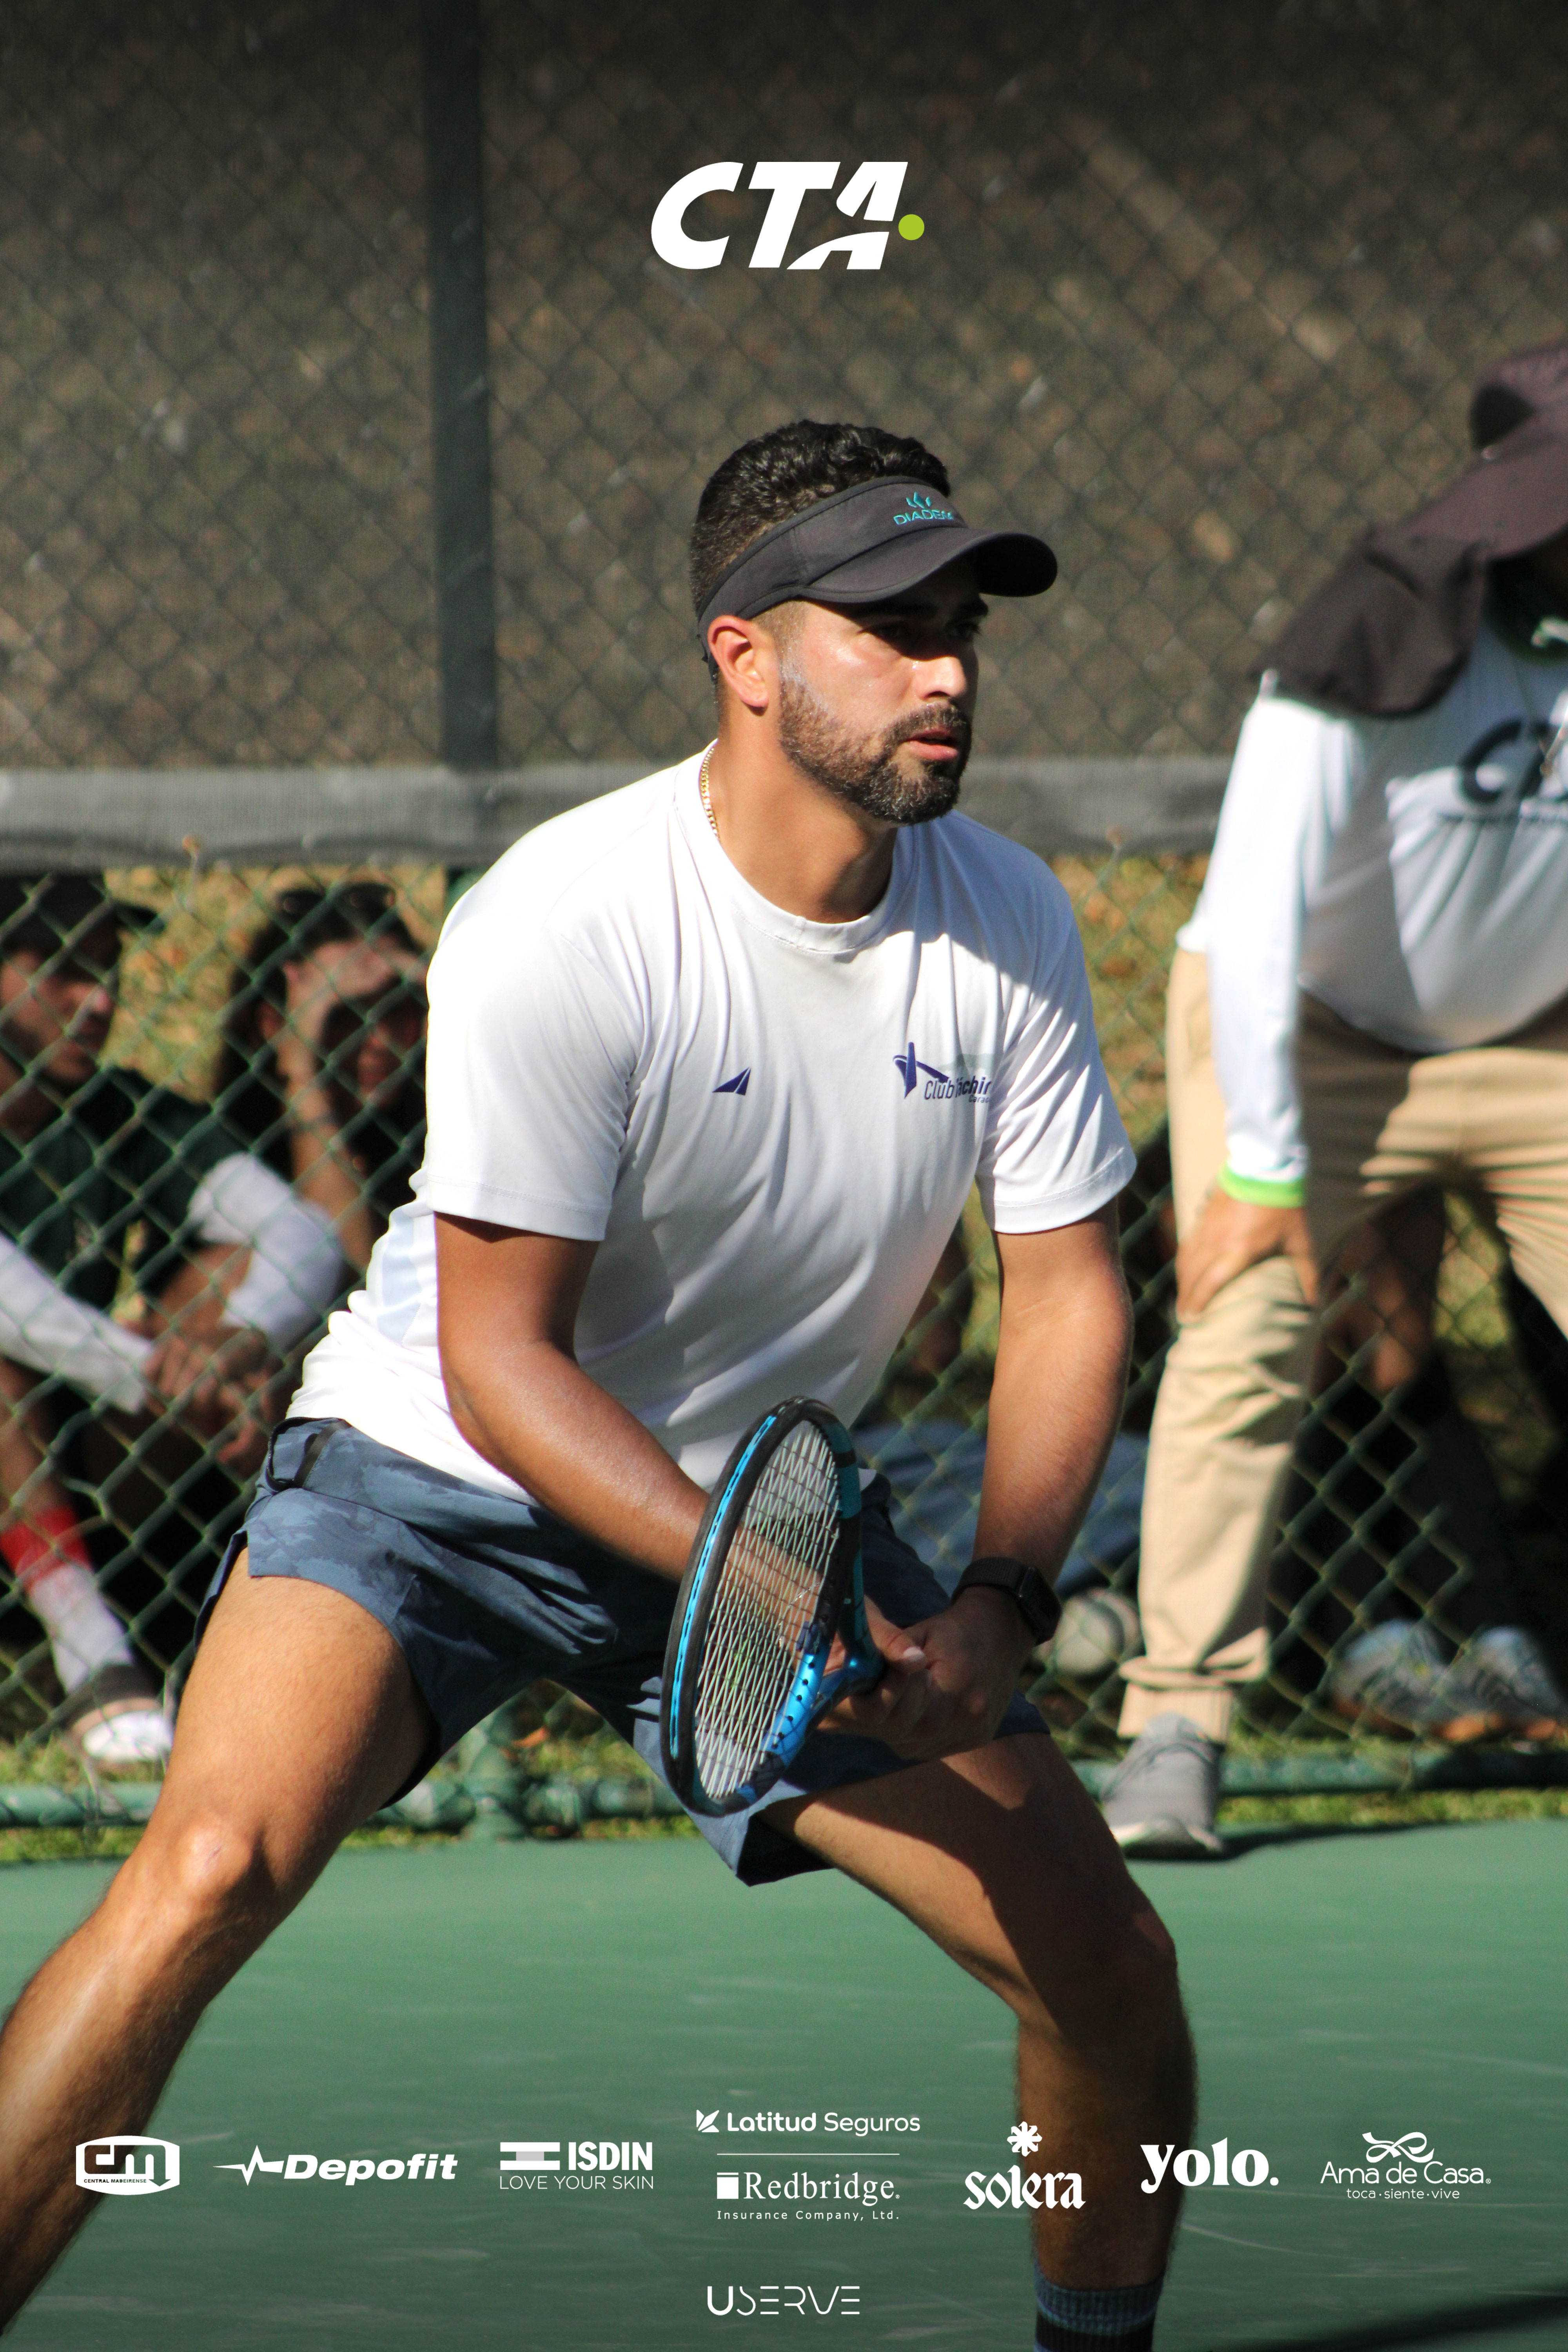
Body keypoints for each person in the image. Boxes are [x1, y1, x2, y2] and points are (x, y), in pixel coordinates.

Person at [0, 422, 1194, 2352]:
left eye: (958, 625)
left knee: (1106, 1970)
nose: (947, 669)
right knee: (203, 1868)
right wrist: (763, 1584)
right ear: (744, 655)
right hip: (433, 1482)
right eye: (889, 627)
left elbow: (1065, 1295)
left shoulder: (1007, 921)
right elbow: (498, 1359)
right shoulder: (566, 918)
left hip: (762, 1514)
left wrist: (996, 1601)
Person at [1103, 341, 1568, 1858]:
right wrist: (1264, 1170)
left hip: (1533, 1039)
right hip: (1310, 1032)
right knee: (1241, 1336)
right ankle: (1175, 1720)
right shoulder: (1372, 628)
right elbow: (1246, 921)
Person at [0, 874, 350, 1768]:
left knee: (231, 1273)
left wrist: (237, 1344)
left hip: (86, 1447)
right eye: (66, 973)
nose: (100, 1001)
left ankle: (264, 1623)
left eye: (109, 970)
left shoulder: (118, 1109)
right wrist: (151, 1370)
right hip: (51, 1400)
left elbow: (302, 1235)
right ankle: (90, 1653)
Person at [215, 882, 427, 1278]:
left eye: (397, 1006)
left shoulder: (430, 1137)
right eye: (345, 1013)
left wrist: (445, 987)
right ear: (275, 1024)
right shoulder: (229, 1157)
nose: (380, 1039)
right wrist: (301, 1074)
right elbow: (345, 1275)